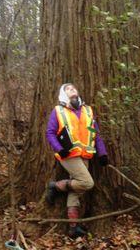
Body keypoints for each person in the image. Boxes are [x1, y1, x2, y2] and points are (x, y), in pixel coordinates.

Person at [45, 83, 108, 238]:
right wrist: (59, 149)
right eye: (68, 89)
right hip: (68, 155)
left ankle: (74, 228)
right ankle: (56, 186)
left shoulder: (87, 110)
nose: (72, 90)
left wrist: (102, 153)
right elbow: (50, 132)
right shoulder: (59, 111)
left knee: (77, 190)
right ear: (63, 94)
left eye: (73, 88)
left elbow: (95, 133)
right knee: (87, 183)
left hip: (85, 155)